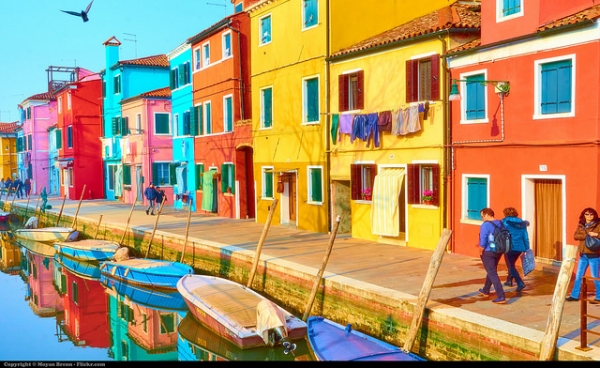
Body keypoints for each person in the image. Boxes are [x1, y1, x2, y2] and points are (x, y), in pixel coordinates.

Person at [566, 207, 600, 303]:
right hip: (583, 255)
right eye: (587, 214)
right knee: (579, 276)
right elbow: (575, 236)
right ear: (583, 215)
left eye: (591, 214)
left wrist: (596, 235)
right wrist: (586, 235)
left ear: (594, 215)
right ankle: (574, 295)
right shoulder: (581, 225)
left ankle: (599, 297)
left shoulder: (598, 224)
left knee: (595, 277)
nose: (589, 216)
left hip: (594, 255)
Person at [478, 207, 507, 304]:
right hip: (499, 250)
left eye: (482, 216)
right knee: (491, 270)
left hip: (488, 251)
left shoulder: (485, 225)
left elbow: (483, 239)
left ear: (486, 215)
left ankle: (501, 296)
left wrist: (480, 250)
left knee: (492, 273)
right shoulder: (500, 223)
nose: (482, 218)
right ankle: (486, 290)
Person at [501, 207, 530, 292]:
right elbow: (525, 236)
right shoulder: (522, 223)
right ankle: (509, 280)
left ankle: (519, 282)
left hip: (509, 247)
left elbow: (501, 233)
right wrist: (527, 248)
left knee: (510, 266)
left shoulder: (505, 222)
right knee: (512, 264)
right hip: (520, 247)